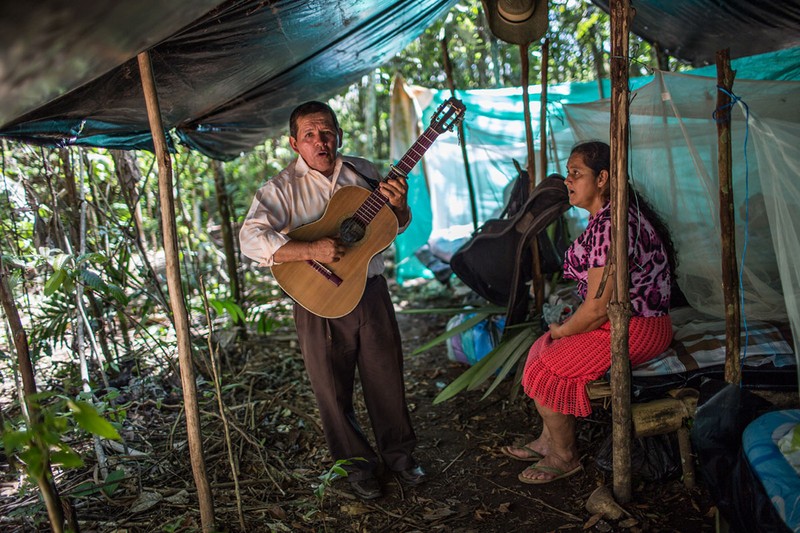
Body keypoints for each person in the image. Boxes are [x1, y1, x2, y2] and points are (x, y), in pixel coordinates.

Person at [239, 101, 425, 500]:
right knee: (331, 386)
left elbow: (392, 226)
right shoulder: (280, 188)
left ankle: (399, 456)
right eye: (309, 135)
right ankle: (357, 466)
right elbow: (250, 240)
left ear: (338, 134)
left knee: (386, 376)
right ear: (294, 143)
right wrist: (308, 251)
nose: (319, 141)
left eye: (326, 132)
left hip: (370, 290)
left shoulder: (364, 172)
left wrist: (398, 205)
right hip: (315, 298)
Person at [500, 140, 677, 484]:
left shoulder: (613, 225)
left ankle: (564, 457)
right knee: (540, 349)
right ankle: (547, 439)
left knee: (548, 366)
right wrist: (561, 330)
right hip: (621, 321)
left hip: (637, 328)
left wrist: (565, 330)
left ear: (602, 179)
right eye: (568, 173)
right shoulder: (605, 219)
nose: (568, 181)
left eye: (576, 173)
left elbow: (596, 309)